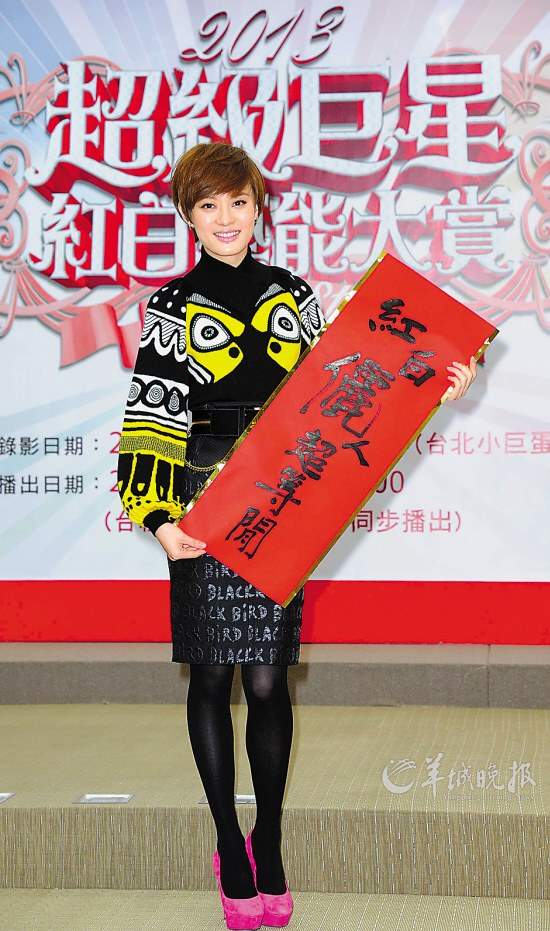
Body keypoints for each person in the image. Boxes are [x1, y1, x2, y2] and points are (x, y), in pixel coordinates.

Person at [116, 141, 477, 929]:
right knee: (212, 676)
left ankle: (269, 839)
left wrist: (439, 379)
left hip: (283, 499)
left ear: (258, 207)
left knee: (268, 680)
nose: (225, 218)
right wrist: (157, 518)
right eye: (207, 205)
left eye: (238, 202)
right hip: (204, 504)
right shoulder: (172, 305)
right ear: (187, 216)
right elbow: (151, 412)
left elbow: (352, 388)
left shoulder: (293, 294)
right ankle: (229, 843)